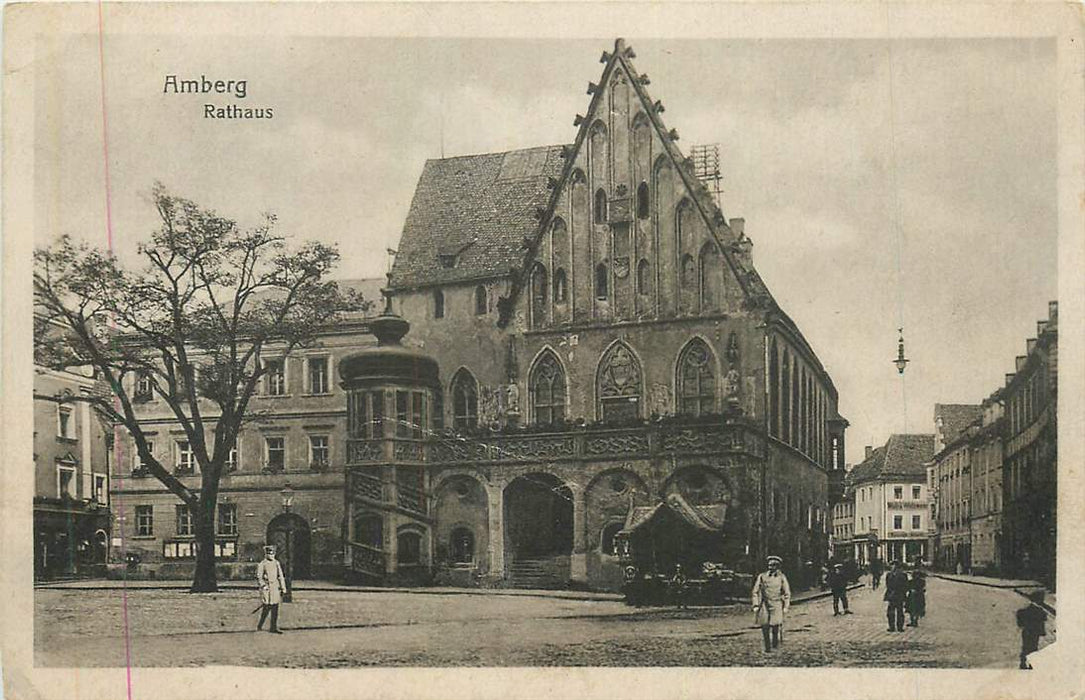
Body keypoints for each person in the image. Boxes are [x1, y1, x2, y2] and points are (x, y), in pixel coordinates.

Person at [752, 555, 792, 652]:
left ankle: (774, 643)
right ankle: (767, 647)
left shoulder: (781, 577)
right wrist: (756, 604)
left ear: (777, 566)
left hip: (777, 604)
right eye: (769, 565)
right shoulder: (762, 577)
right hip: (765, 604)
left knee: (775, 625)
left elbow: (787, 592)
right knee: (764, 626)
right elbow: (755, 591)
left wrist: (786, 606)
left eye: (773, 565)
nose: (771, 567)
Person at [256, 544, 288, 634]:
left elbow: (280, 576)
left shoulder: (276, 563)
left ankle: (273, 627)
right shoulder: (262, 564)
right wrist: (263, 586)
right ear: (266, 554)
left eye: (273, 553)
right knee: (266, 608)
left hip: (275, 588)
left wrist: (283, 587)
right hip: (267, 588)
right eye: (269, 553)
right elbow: (259, 577)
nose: (271, 555)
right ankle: (260, 624)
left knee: (275, 608)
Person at [1016, 589, 1048, 670]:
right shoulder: (1040, 611)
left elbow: (1020, 620)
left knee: (1026, 647)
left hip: (1027, 631)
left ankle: (1024, 663)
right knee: (1032, 647)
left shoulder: (1028, 610)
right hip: (1034, 632)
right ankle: (1029, 664)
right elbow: (1043, 620)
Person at [883, 559, 908, 632]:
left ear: (896, 566)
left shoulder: (903, 575)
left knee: (899, 611)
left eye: (893, 565)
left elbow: (905, 585)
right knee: (890, 612)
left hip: (899, 594)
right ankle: (892, 626)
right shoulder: (889, 574)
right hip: (892, 595)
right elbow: (887, 585)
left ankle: (900, 627)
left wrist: (902, 593)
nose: (892, 567)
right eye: (891, 565)